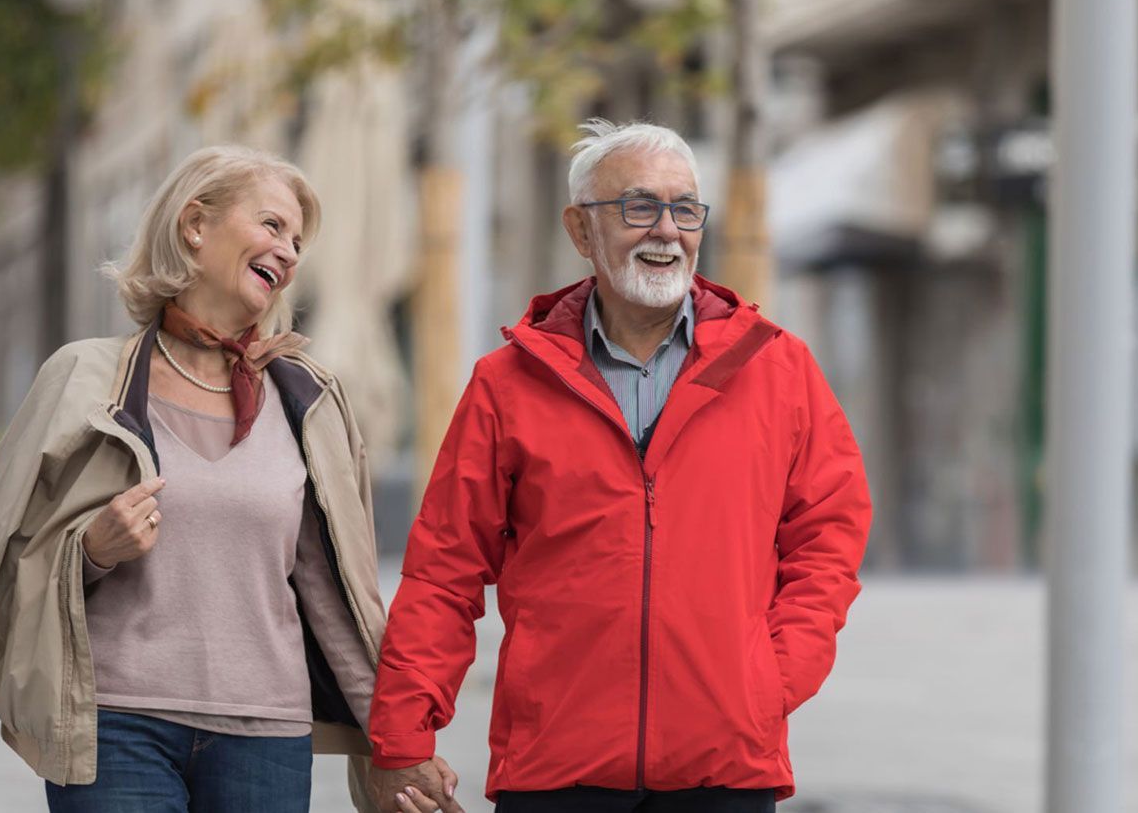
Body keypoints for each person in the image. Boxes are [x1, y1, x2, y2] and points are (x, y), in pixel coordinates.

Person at [365, 119, 872, 813]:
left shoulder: (776, 368)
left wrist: (770, 680)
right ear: (581, 231)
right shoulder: (506, 384)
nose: (667, 230)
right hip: (555, 767)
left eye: (685, 208)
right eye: (639, 207)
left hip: (724, 766)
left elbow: (830, 535)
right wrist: (402, 739)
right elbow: (443, 569)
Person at [0, 145, 453, 813]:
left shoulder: (309, 399)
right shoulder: (82, 380)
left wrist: (400, 749)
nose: (290, 252)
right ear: (194, 226)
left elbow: (337, 596)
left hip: (266, 737)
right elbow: (4, 571)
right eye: (272, 226)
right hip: (115, 726)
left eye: (297, 240)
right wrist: (92, 550)